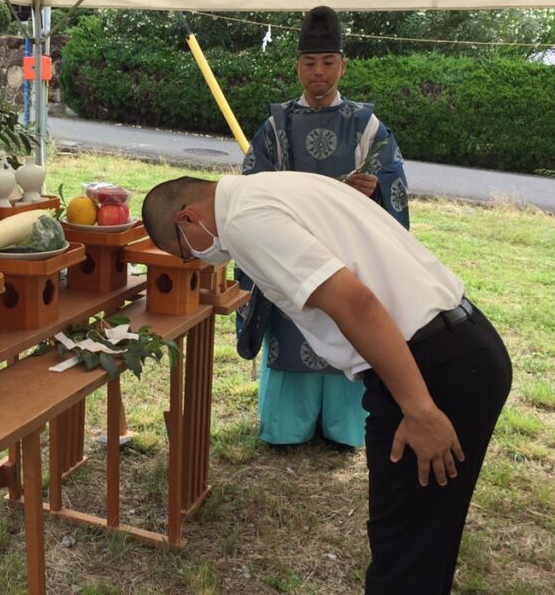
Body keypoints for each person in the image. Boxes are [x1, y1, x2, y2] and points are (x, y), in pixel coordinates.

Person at [141, 173, 511, 594]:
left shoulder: (243, 221)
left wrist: (419, 408)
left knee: (404, 554)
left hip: (431, 367)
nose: (199, 259)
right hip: (463, 345)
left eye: (187, 253)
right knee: (426, 541)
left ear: (187, 218)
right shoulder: (272, 186)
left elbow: (355, 302)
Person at [240, 5, 409, 449]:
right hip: (291, 253)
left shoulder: (364, 124)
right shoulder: (277, 126)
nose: (319, 73)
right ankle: (285, 426)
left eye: (328, 62)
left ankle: (344, 427)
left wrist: (374, 189)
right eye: (310, 63)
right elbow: (251, 185)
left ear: (343, 65)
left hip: (346, 253)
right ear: (297, 66)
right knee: (293, 327)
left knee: (349, 328)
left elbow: (393, 180)